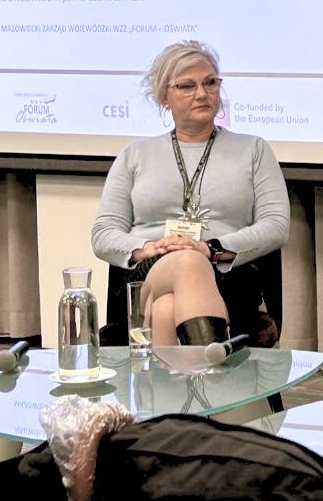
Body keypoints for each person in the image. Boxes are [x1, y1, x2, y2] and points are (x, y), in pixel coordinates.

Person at [92, 41, 289, 347]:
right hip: (149, 271)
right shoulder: (135, 154)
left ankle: (179, 377)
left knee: (166, 308)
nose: (202, 93)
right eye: (187, 86)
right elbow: (103, 233)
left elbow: (276, 225)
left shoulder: (254, 150)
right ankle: (212, 370)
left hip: (226, 274)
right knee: (186, 262)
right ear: (164, 97)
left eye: (210, 83)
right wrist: (147, 248)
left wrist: (211, 249)